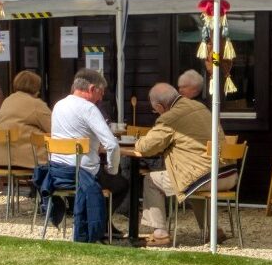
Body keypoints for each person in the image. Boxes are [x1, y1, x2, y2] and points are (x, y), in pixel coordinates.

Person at [135, 80, 225, 246]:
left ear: (161, 107)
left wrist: (137, 140)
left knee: (151, 180)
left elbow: (146, 147)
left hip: (205, 177)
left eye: (154, 110)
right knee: (193, 180)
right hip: (226, 174)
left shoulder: (170, 118)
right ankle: (213, 230)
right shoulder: (200, 107)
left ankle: (160, 233)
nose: (156, 113)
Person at [45, 68, 129, 242]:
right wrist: (112, 170)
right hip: (83, 173)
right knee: (121, 184)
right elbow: (112, 145)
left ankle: (100, 223)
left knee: (105, 177)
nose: (101, 98)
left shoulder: (59, 105)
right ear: (92, 89)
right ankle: (100, 224)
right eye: (101, 93)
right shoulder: (89, 109)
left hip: (57, 173)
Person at [0, 69, 51, 168]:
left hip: (0, 159)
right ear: (36, 87)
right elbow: (54, 128)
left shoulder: (7, 101)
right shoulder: (36, 104)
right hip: (27, 160)